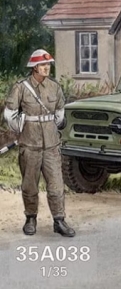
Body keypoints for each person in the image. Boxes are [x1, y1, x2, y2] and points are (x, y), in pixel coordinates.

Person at [3, 49, 75, 237]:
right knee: (30, 185)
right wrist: (20, 128)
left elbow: (60, 113)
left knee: (56, 185)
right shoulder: (21, 87)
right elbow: (9, 114)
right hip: (29, 145)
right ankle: (30, 218)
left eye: (48, 64)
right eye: (43, 65)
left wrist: (56, 124)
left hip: (51, 144)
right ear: (34, 67)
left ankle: (59, 220)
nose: (46, 67)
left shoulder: (54, 87)